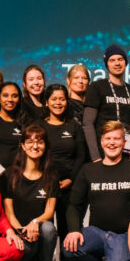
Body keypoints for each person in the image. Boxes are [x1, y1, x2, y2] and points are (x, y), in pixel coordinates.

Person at [61, 121, 130, 261]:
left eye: (117, 139)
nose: (112, 143)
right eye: (108, 138)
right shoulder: (88, 170)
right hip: (97, 233)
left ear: (124, 142)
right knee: (68, 248)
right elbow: (74, 205)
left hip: (123, 237)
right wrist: (73, 229)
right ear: (101, 141)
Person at [1, 125, 59, 261]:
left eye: (40, 142)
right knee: (24, 248)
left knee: (49, 228)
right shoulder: (10, 175)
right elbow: (9, 213)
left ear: (46, 146)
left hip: (40, 232)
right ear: (23, 145)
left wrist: (35, 223)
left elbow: (49, 212)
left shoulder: (51, 176)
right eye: (30, 142)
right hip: (19, 232)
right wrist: (21, 232)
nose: (35, 146)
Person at [42, 83, 87, 232]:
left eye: (62, 99)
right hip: (44, 184)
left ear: (67, 102)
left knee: (68, 230)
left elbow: (81, 156)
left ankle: (65, 256)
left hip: (69, 186)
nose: (58, 103)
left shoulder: (74, 126)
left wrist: (70, 179)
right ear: (46, 102)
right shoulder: (38, 126)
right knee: (44, 230)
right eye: (54, 99)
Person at [83, 45, 130, 160]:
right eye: (112, 60)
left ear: (125, 62)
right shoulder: (97, 87)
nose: (117, 63)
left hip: (126, 153)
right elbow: (88, 124)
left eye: (120, 59)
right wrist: (95, 157)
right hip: (103, 153)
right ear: (107, 64)